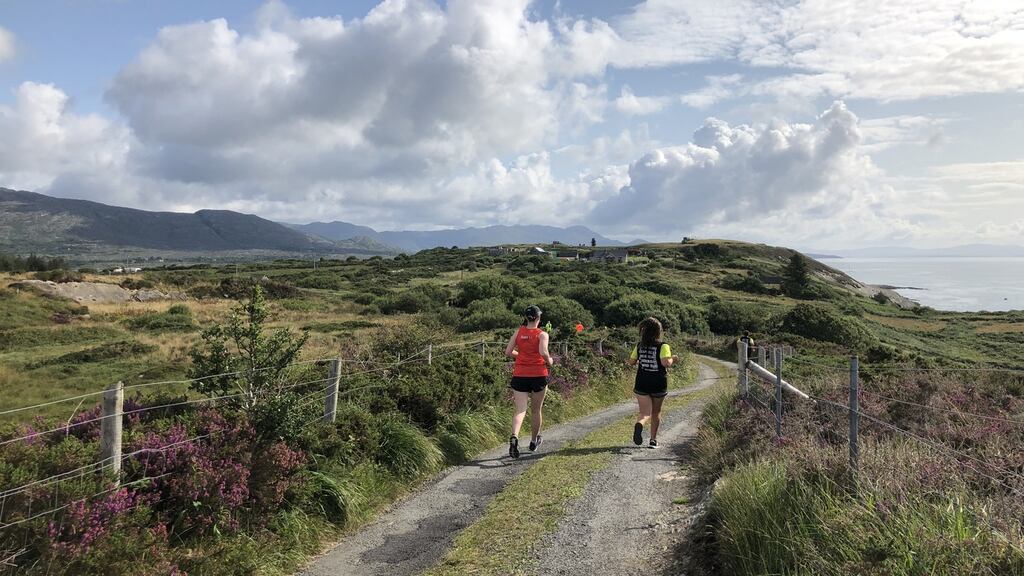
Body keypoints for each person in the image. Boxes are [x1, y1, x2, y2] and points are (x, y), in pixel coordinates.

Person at [505, 305, 554, 458]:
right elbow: (543, 352)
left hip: (520, 375)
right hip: (538, 374)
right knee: (536, 410)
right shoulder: (542, 334)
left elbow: (507, 352)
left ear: (526, 318)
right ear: (539, 318)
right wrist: (550, 361)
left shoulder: (518, 332)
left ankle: (514, 436)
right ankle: (533, 441)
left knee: (520, 410)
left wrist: (521, 357)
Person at [626, 317, 678, 448]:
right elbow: (665, 363)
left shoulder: (639, 345)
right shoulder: (663, 346)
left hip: (642, 382)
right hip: (658, 383)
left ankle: (640, 424)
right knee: (656, 413)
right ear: (658, 332)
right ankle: (653, 440)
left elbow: (631, 362)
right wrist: (673, 359)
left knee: (644, 413)